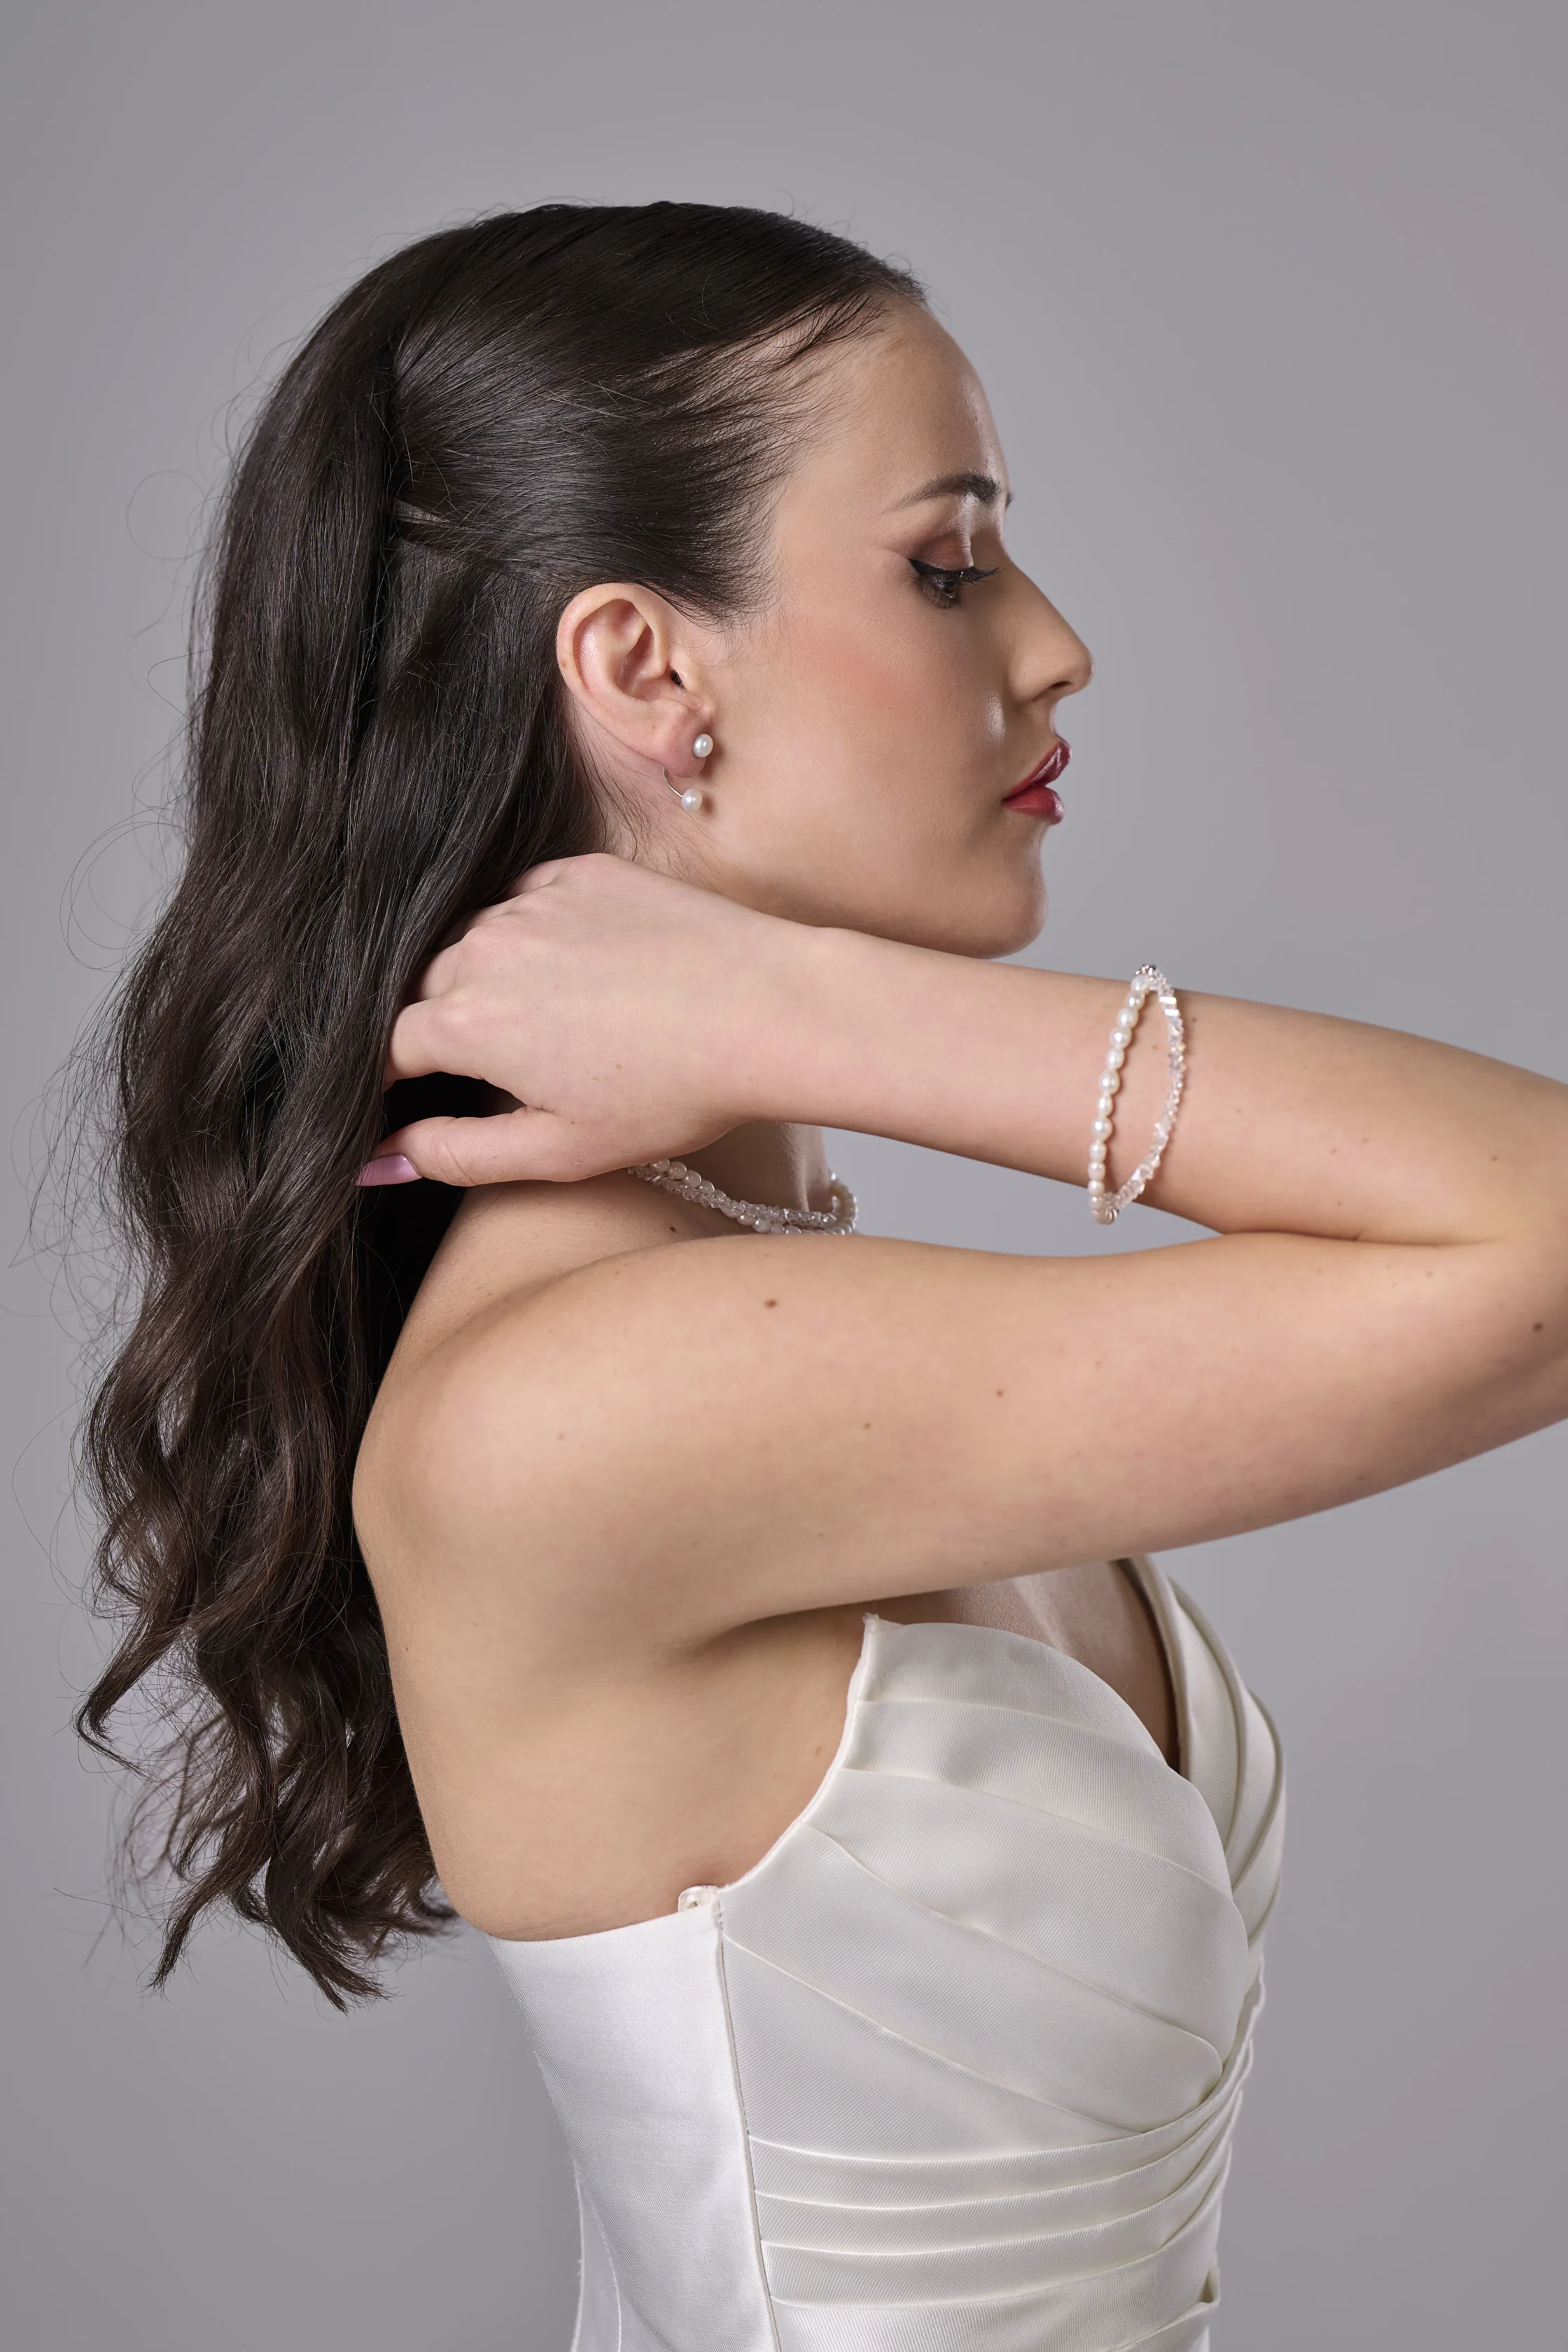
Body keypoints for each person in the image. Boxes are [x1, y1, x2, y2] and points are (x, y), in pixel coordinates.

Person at [78, 204, 1568, 2352]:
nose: (1057, 645)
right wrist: (796, 1008)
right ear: (644, 672)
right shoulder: (585, 1397)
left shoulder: (750, 1298)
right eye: (947, 563)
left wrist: (763, 1024)